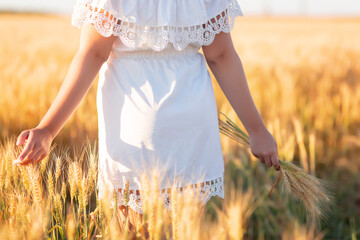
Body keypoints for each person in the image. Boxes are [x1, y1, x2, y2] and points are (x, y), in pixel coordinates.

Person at [13, 0, 280, 235]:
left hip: (143, 125)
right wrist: (256, 129)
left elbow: (92, 54)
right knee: (182, 232)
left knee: (135, 231)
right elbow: (221, 55)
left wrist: (48, 129)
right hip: (188, 124)